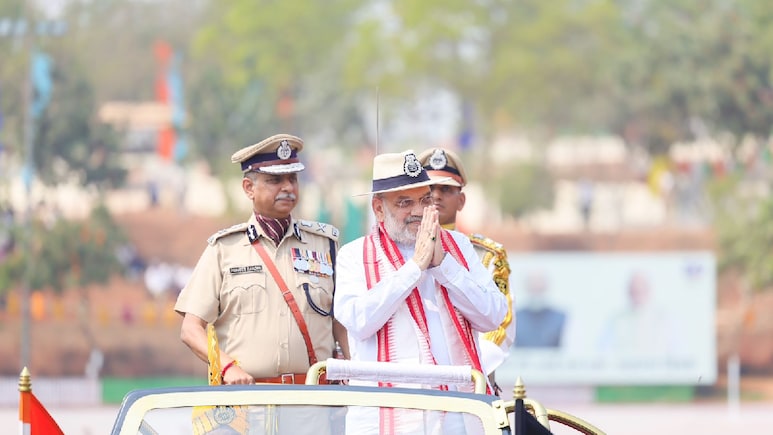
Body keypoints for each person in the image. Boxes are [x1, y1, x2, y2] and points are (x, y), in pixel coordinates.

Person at [174, 133, 345, 434]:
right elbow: (191, 329)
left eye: (292, 179)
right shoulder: (224, 249)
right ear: (248, 188)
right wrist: (227, 367)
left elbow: (341, 323)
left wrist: (350, 370)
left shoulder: (325, 245)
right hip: (246, 405)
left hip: (312, 403)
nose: (288, 188)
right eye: (275, 181)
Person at [334, 149, 507, 434]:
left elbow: (493, 316)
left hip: (458, 411)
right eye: (405, 202)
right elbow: (358, 321)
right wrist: (414, 268)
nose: (418, 211)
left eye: (424, 200)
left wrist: (444, 266)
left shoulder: (458, 248)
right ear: (379, 208)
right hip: (385, 416)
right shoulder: (355, 255)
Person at [417, 147, 514, 394]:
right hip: (417, 377)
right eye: (430, 189)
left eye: (446, 190)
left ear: (461, 201)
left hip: (473, 379)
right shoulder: (401, 250)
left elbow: (499, 325)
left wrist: (467, 366)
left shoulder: (487, 255)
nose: (436, 196)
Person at [514, 271, 566, 348]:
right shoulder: (514, 317)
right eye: (533, 287)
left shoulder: (561, 317)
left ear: (546, 287)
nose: (536, 290)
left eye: (539, 288)